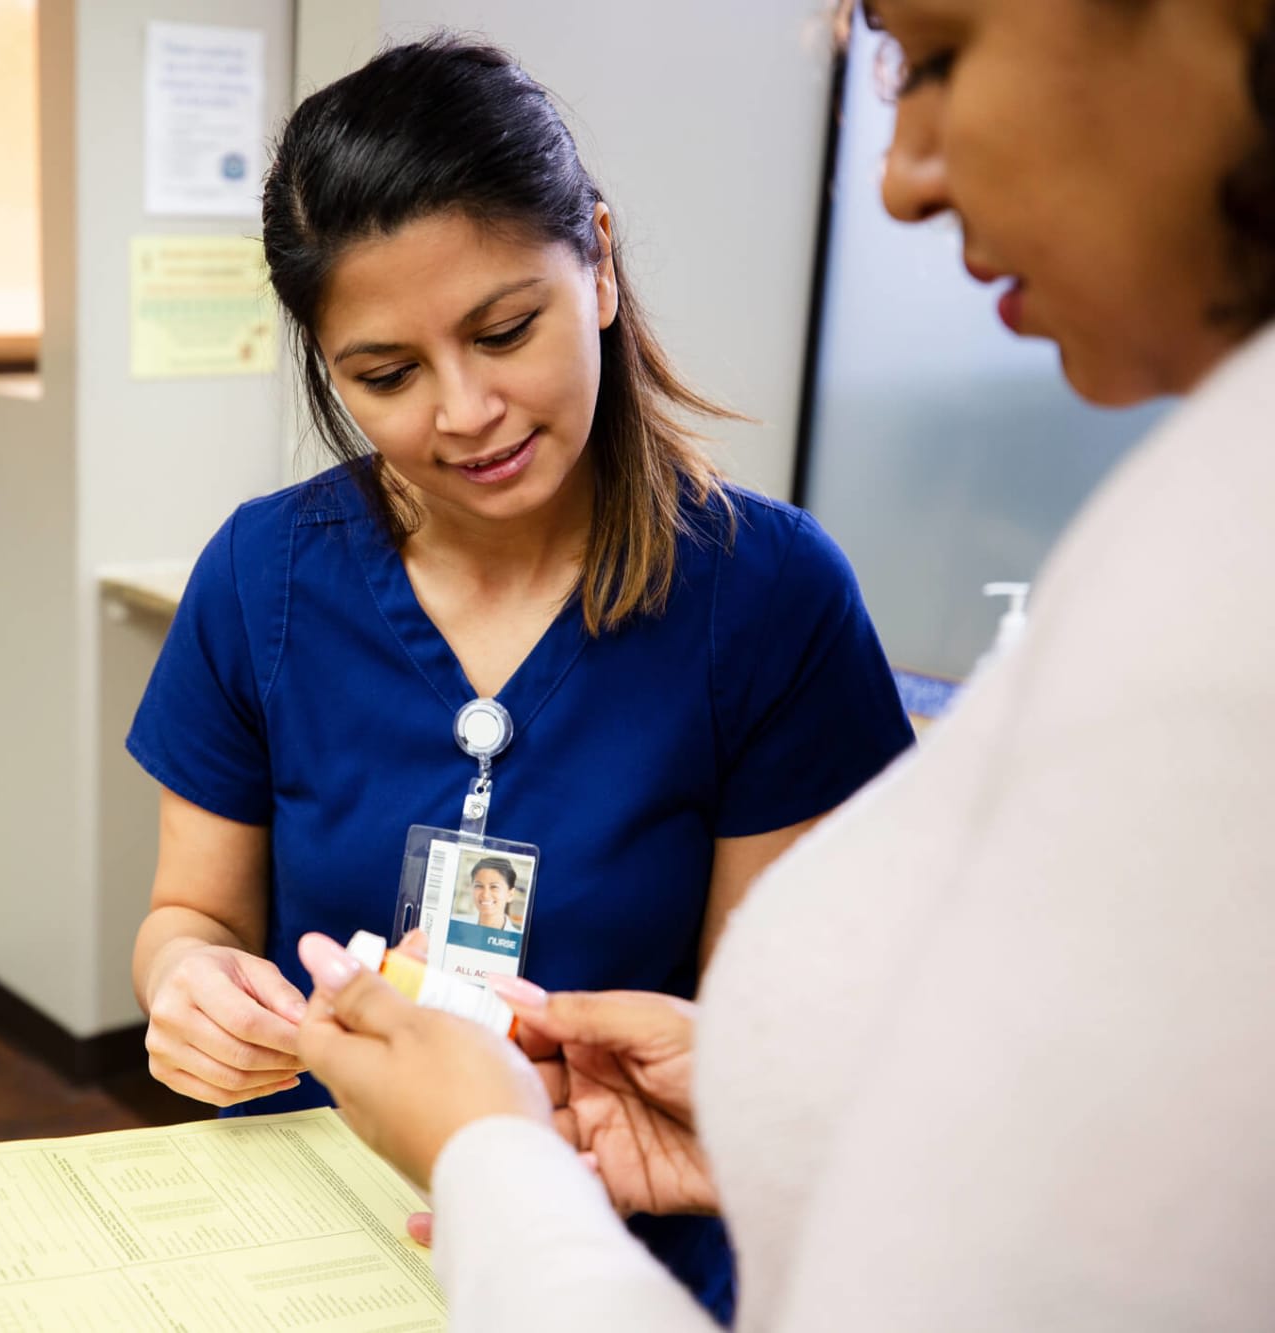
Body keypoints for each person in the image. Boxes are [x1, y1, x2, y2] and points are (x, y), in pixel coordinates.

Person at [297, 0, 1275, 1327]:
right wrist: (771, 1107)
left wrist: (491, 1154)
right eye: (388, 369)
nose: (897, 175)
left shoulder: (783, 592)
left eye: (936, 58)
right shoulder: (1195, 515)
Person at [124, 36, 914, 1320]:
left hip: (619, 1256)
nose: (465, 411)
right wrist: (187, 992)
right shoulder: (261, 576)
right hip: (303, 1239)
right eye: (383, 374)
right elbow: (187, 918)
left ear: (595, 260)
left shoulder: (765, 597)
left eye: (504, 330)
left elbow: (776, 1033)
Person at [461, 858, 523, 932]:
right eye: (479, 886)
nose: (485, 895)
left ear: (510, 894)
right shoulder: (456, 925)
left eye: (494, 887)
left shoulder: (518, 939)